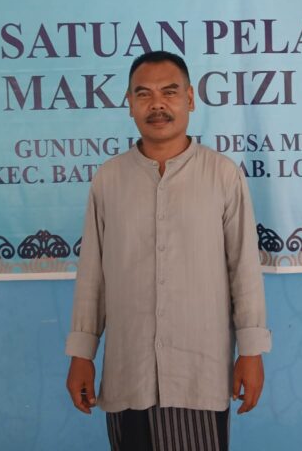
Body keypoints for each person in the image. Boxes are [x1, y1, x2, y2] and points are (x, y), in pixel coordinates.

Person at [65, 51, 271, 450]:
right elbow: (93, 276)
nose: (156, 104)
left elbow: (243, 270)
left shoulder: (222, 175)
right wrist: (82, 354)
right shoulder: (109, 179)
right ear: (129, 103)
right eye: (143, 94)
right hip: (129, 371)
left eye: (169, 92)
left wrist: (252, 351)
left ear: (190, 99)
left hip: (200, 372)